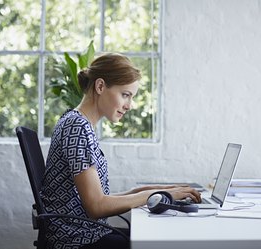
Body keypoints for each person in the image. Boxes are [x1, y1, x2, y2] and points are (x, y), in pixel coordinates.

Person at [41, 53, 201, 249]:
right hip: (78, 241)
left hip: (88, 233)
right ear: (100, 86)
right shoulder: (77, 127)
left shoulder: (78, 123)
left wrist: (161, 191)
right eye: (125, 94)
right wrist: (160, 194)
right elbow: (96, 206)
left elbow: (99, 199)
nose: (129, 105)